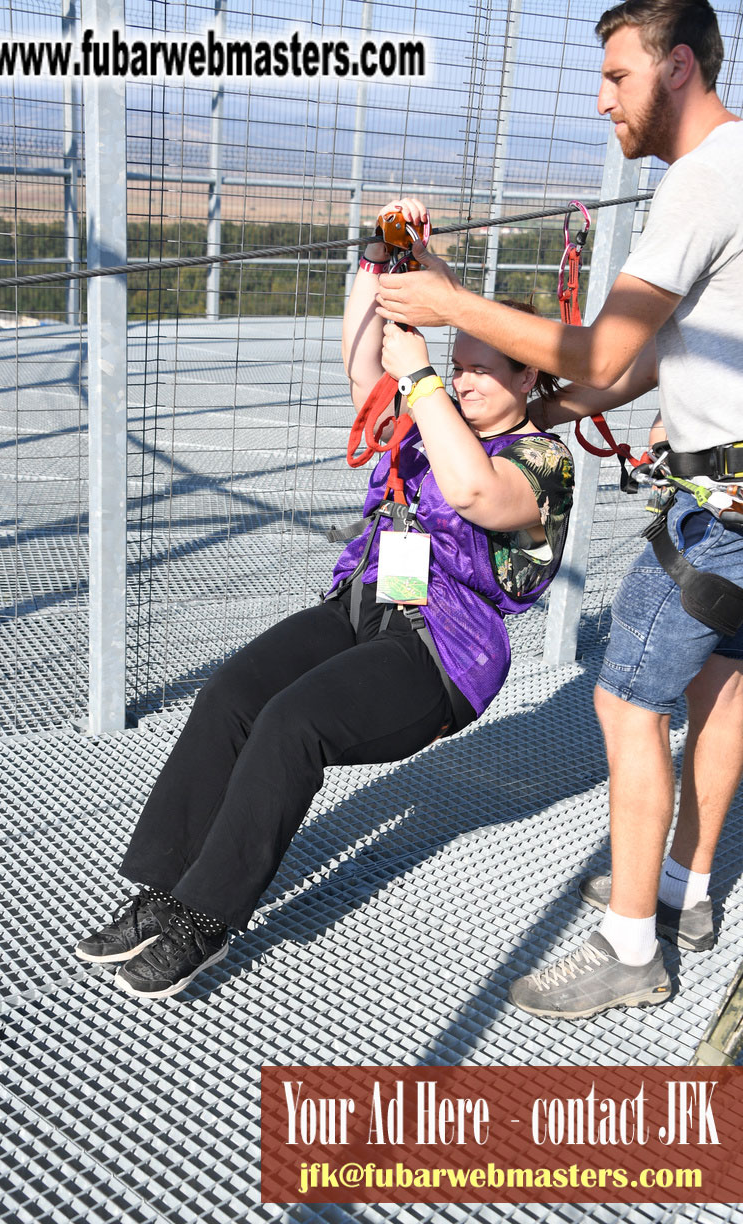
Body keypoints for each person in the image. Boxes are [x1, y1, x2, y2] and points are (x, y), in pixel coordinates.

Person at [75, 197, 574, 999]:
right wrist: (379, 257)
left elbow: (477, 494)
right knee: (232, 694)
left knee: (292, 724)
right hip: (365, 602)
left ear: (529, 377)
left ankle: (205, 919)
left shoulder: (543, 461)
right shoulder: (423, 412)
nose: (467, 377)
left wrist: (423, 382)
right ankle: (165, 890)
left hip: (439, 649)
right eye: (462, 361)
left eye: (489, 366)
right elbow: (360, 365)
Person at [377, 0, 743, 1020]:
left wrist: (449, 309)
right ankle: (684, 889)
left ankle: (631, 949)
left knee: (626, 699)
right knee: (723, 682)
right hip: (737, 495)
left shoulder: (702, 185)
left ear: (676, 69)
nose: (601, 101)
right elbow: (655, 354)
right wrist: (554, 403)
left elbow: (602, 352)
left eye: (616, 77)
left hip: (725, 510)